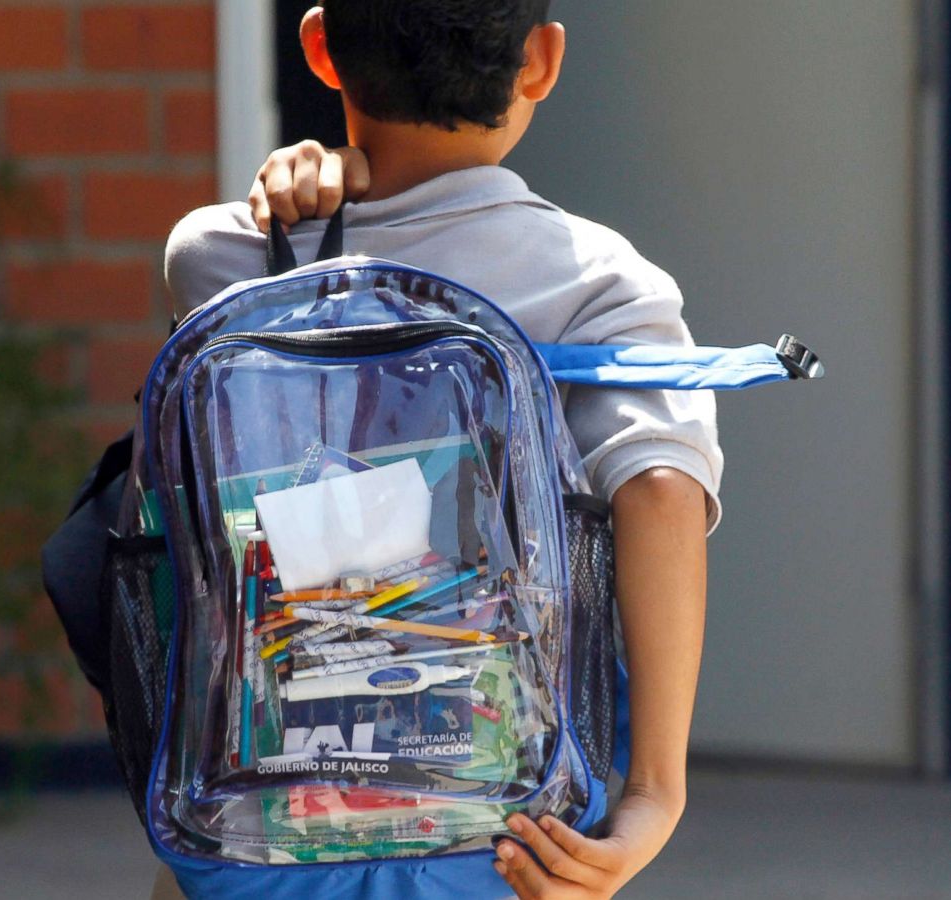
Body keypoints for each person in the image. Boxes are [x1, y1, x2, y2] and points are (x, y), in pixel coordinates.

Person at [161, 3, 717, 897]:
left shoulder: (220, 258)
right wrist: (654, 796)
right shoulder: (604, 284)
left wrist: (331, 179)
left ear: (320, 49)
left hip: (260, 827)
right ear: (541, 59)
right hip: (510, 836)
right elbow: (659, 490)